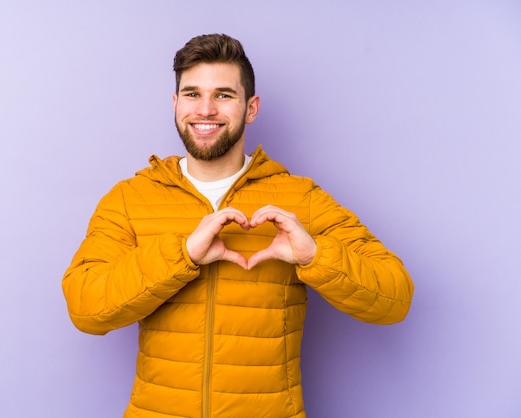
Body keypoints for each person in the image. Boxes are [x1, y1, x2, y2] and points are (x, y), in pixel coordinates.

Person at [62, 33, 414, 418]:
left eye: (224, 95)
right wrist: (182, 256)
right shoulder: (130, 199)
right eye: (192, 94)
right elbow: (86, 308)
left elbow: (395, 300)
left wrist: (315, 255)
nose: (206, 109)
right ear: (176, 103)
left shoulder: (301, 200)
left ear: (251, 108)